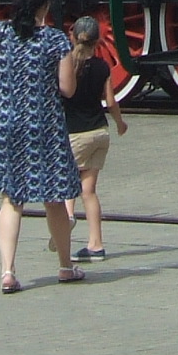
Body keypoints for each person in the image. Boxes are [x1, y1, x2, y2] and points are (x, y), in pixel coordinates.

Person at [0, 0, 81, 294]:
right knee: (54, 198)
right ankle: (65, 266)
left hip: (6, 124)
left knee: (12, 199)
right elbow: (67, 89)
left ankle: (7, 272)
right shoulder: (55, 40)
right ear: (44, 5)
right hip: (45, 127)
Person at [61, 13, 128, 262]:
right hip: (100, 133)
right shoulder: (102, 67)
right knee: (88, 191)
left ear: (72, 36)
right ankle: (96, 245)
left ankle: (67, 219)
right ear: (98, 41)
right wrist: (120, 123)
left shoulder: (67, 65)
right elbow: (110, 101)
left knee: (66, 185)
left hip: (74, 134)